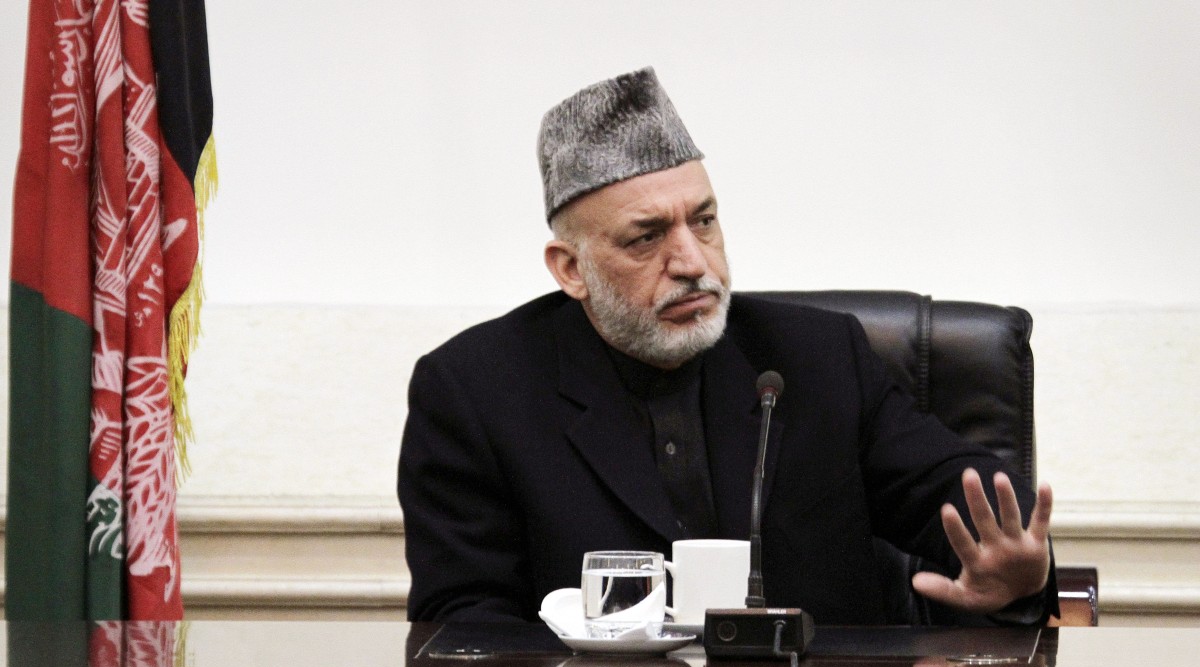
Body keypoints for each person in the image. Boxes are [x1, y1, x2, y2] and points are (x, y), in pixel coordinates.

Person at [397, 67, 1056, 626]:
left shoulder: (818, 358)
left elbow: (964, 495)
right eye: (645, 237)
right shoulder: (475, 392)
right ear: (571, 269)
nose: (691, 261)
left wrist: (1020, 564)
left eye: (704, 221)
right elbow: (463, 624)